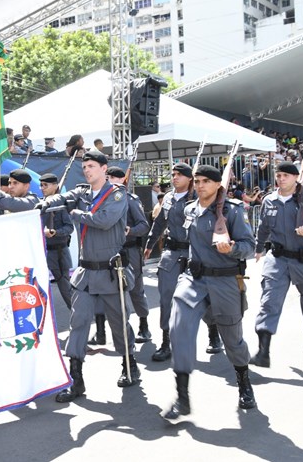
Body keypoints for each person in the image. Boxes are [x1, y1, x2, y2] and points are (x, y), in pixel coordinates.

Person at [38, 150, 139, 403]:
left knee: (120, 324)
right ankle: (76, 380)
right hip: (85, 273)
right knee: (78, 324)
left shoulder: (117, 194)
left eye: (92, 166)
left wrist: (74, 214)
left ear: (105, 169)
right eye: (85, 167)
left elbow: (103, 220)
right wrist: (45, 203)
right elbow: (61, 197)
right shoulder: (82, 192)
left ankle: (129, 364)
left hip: (110, 272)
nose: (87, 170)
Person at [164, 164, 256, 421]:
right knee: (179, 327)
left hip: (225, 280)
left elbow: (250, 245)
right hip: (194, 279)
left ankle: (243, 382)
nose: (200, 185)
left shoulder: (233, 211)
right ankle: (181, 397)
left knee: (233, 339)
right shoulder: (190, 208)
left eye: (206, 181)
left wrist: (233, 248)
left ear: (218, 184)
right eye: (198, 181)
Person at [250, 161, 303, 370]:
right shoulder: (269, 200)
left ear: (296, 178)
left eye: (286, 175)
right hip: (278, 259)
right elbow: (264, 227)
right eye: (279, 175)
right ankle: (263, 352)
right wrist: (258, 248)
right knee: (269, 302)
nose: (281, 179)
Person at [144, 163, 195, 361]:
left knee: (202, 297)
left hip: (194, 253)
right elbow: (159, 223)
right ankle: (167, 341)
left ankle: (214, 332)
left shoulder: (199, 198)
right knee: (166, 298)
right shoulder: (168, 198)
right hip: (172, 253)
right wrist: (149, 244)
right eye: (173, 175)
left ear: (189, 178)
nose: (175, 178)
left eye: (180, 175)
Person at [107, 166, 151, 343]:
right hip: (111, 251)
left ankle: (144, 324)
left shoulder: (130, 200)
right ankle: (121, 330)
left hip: (130, 251)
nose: (107, 180)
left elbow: (144, 226)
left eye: (110, 177)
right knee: (113, 292)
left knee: (135, 290)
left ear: (119, 179)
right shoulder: (104, 200)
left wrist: (130, 230)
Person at [39, 173, 74, 309]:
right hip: (45, 251)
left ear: (55, 186)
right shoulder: (41, 203)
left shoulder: (60, 205)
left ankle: (77, 315)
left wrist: (55, 232)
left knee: (65, 287)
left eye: (45, 185)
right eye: (41, 185)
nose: (42, 188)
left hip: (59, 251)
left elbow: (69, 227)